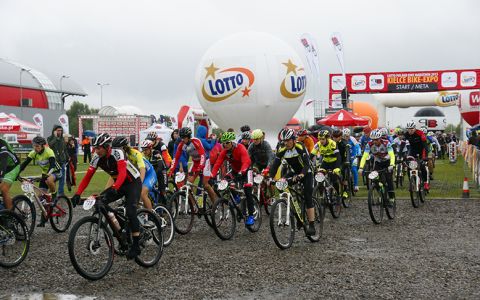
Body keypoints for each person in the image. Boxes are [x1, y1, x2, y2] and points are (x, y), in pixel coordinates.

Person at [71, 133, 143, 259]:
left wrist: (115, 188)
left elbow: (122, 174)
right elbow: (87, 178)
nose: (96, 151)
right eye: (95, 148)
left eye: (99, 148)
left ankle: (136, 245)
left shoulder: (117, 153)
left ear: (106, 147)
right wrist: (78, 193)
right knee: (100, 202)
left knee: (131, 212)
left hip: (132, 183)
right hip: (119, 184)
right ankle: (121, 231)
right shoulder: (96, 158)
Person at [268, 128, 316, 236]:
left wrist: (301, 175)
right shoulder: (282, 149)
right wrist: (270, 177)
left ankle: (312, 224)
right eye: (284, 141)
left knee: (307, 196)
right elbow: (275, 165)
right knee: (281, 184)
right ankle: (296, 210)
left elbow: (307, 164)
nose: (286, 143)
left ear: (294, 140)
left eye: (288, 140)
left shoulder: (300, 147)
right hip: (294, 172)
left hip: (306, 172)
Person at [211, 132, 256, 227]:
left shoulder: (240, 148)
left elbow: (246, 161)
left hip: (246, 170)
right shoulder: (224, 152)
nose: (225, 145)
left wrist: (242, 171)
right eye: (223, 143)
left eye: (227, 143)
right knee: (226, 182)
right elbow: (217, 164)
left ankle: (251, 216)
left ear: (232, 142)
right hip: (235, 171)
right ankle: (236, 198)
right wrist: (212, 176)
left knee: (248, 191)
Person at [168, 127, 216, 211]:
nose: (183, 139)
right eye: (181, 137)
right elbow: (176, 158)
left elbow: (202, 155)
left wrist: (200, 167)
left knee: (205, 184)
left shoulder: (196, 141)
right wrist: (171, 169)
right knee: (188, 184)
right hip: (195, 162)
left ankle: (215, 204)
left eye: (184, 137)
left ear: (189, 136)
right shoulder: (181, 144)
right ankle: (194, 206)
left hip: (204, 162)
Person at [19, 136, 62, 226]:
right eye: (34, 146)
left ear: (42, 146)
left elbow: (53, 165)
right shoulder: (33, 153)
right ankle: (44, 219)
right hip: (45, 174)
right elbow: (24, 164)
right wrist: (17, 173)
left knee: (48, 180)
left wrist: (48, 174)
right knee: (39, 197)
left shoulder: (48, 151)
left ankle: (54, 195)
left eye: (37, 146)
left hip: (55, 171)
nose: (35, 148)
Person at [111, 136, 156, 212]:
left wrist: (139, 185)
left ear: (124, 148)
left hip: (149, 174)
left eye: (117, 149)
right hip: (136, 175)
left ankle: (153, 217)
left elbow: (142, 169)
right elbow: (114, 175)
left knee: (142, 193)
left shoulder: (135, 153)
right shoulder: (117, 157)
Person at [359, 129, 396, 205]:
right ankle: (380, 195)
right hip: (378, 162)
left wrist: (392, 165)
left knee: (389, 180)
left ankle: (392, 198)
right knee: (375, 179)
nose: (374, 141)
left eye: (376, 140)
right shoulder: (369, 144)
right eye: (373, 140)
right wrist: (361, 167)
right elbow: (364, 156)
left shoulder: (386, 143)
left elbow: (392, 155)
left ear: (380, 138)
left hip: (387, 162)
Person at [310, 129, 342, 197]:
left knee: (334, 179)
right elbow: (311, 155)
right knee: (319, 177)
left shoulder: (332, 143)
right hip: (325, 162)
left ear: (327, 138)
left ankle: (338, 194)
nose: (321, 141)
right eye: (319, 139)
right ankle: (322, 196)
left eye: (323, 139)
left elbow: (338, 156)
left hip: (334, 162)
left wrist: (337, 167)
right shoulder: (318, 145)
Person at [404, 121, 429, 190]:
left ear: (415, 128)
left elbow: (425, 146)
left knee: (422, 165)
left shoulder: (420, 133)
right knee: (409, 166)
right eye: (408, 129)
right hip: (412, 151)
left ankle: (425, 183)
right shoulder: (406, 134)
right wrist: (400, 156)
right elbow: (402, 145)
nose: (410, 131)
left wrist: (425, 157)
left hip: (421, 150)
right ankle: (412, 182)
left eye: (412, 129)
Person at [0, 138, 21, 210]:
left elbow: (4, 159)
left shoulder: (2, 143)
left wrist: (1, 175)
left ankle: (10, 215)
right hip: (2, 167)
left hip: (12, 167)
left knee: (3, 189)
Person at [47, 125, 68, 196]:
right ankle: (53, 192)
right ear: (54, 131)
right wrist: (55, 137)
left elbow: (64, 149)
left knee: (62, 177)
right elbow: (50, 145)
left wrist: (67, 157)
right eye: (58, 130)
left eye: (61, 130)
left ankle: (61, 192)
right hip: (54, 162)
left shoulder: (62, 139)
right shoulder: (50, 138)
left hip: (62, 161)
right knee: (53, 177)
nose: (60, 132)